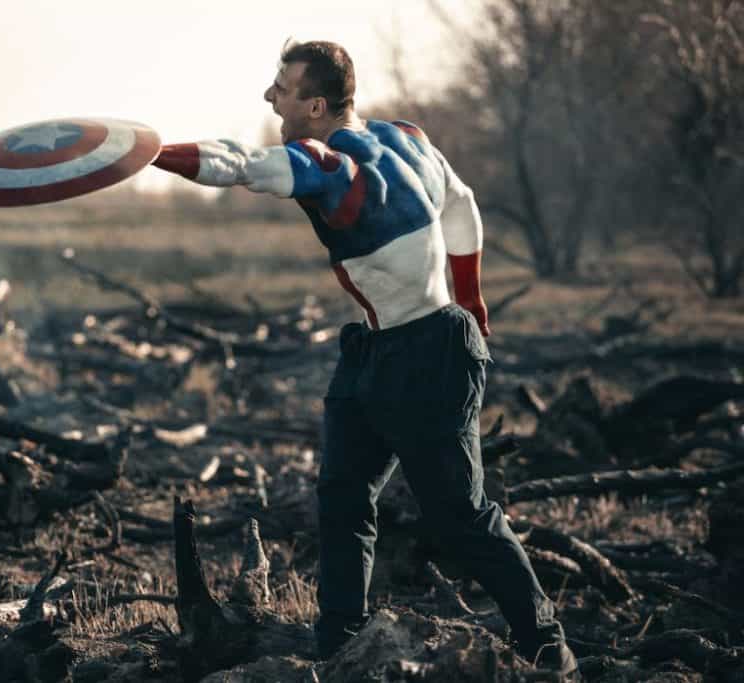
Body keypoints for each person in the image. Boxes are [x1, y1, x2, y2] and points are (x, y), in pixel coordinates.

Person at [150, 40, 578, 677]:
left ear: (316, 105)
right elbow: (463, 206)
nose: (270, 98)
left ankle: (553, 652)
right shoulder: (406, 136)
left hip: (430, 355)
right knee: (343, 496)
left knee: (461, 517)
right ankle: (340, 644)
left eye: (282, 88)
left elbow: (240, 165)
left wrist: (148, 154)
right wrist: (473, 297)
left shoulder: (332, 166)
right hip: (372, 350)